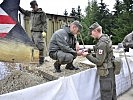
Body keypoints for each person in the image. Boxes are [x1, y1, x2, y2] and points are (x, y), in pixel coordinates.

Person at [82, 22, 117, 100]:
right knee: (112, 91)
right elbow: (100, 51)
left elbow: (99, 61)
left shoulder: (102, 43)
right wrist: (89, 50)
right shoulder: (105, 38)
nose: (91, 35)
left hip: (106, 71)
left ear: (95, 31)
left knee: (106, 93)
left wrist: (87, 55)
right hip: (110, 69)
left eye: (91, 33)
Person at [19, 0, 47, 65]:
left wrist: (44, 31)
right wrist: (18, 7)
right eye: (32, 8)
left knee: (40, 47)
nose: (33, 9)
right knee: (33, 47)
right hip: (32, 32)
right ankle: (35, 60)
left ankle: (41, 61)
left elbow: (45, 23)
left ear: (37, 5)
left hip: (38, 32)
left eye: (34, 7)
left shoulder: (42, 13)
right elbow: (24, 12)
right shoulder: (31, 13)